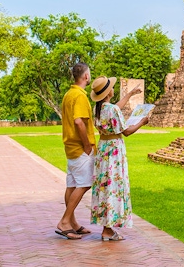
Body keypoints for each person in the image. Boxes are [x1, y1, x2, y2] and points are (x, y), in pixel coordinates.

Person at [89, 75, 149, 241]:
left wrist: (130, 94)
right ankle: (107, 229)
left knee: (105, 187)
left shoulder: (98, 108)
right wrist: (142, 122)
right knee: (113, 187)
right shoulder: (112, 110)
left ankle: (106, 226)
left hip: (103, 150)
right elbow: (127, 132)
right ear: (109, 92)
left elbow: (115, 107)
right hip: (114, 152)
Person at [55, 62, 96, 240]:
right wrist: (87, 145)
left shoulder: (68, 94)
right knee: (85, 184)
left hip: (70, 147)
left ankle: (72, 223)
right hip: (80, 148)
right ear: (86, 76)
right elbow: (79, 122)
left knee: (72, 185)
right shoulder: (79, 96)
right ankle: (64, 221)